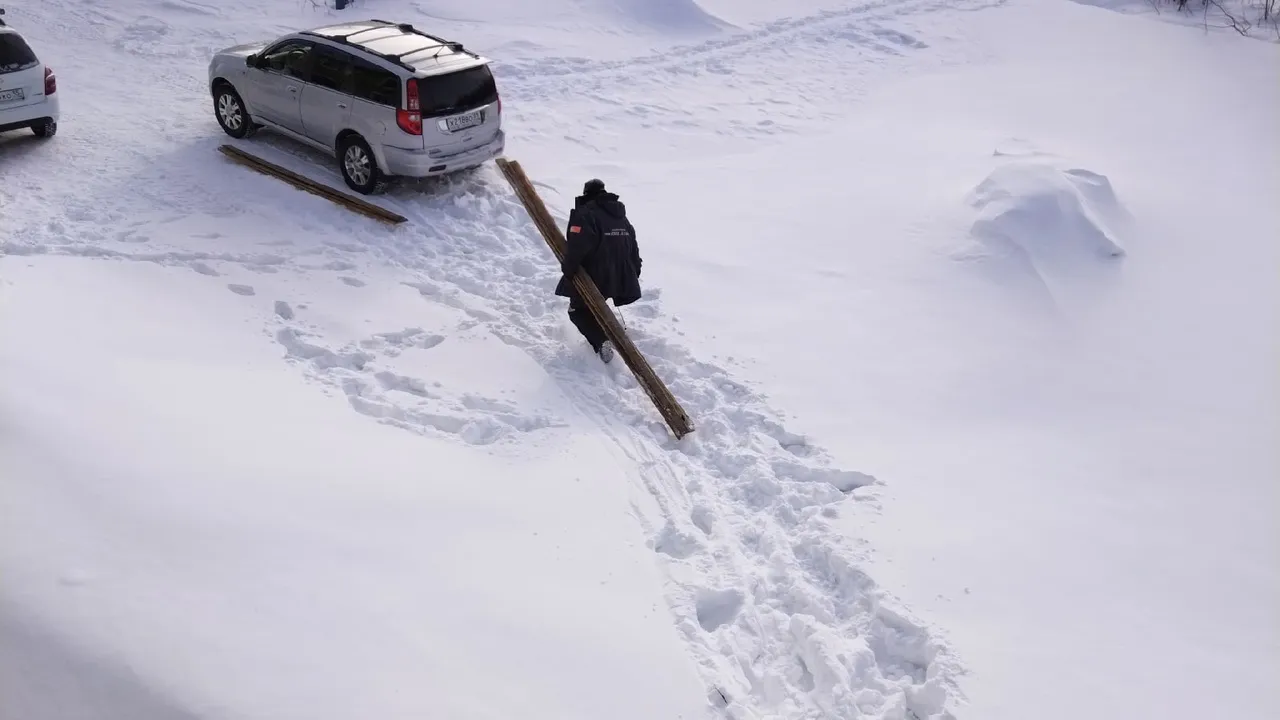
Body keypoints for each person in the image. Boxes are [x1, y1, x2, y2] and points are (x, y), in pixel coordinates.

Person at [555, 178, 642, 364]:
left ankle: (601, 341)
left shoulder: (586, 214)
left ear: (586, 194)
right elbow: (633, 247)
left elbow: (577, 246)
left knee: (576, 310)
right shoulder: (621, 217)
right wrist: (635, 271)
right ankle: (608, 335)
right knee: (597, 304)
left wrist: (568, 270)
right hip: (622, 275)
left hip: (596, 274)